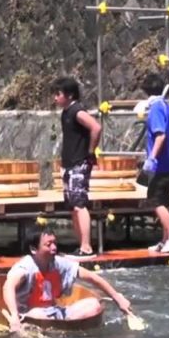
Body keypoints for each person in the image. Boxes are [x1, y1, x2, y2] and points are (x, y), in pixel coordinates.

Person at [2, 227, 133, 336]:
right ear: (33, 249)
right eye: (48, 245)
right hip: (32, 315)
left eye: (54, 243)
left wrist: (117, 298)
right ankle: (60, 327)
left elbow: (91, 277)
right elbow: (8, 286)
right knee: (37, 315)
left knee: (94, 305)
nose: (54, 248)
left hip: (56, 313)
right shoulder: (25, 267)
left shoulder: (59, 263)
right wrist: (14, 316)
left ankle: (64, 326)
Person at [52, 77, 102, 258]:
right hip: (68, 164)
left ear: (69, 95)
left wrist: (90, 151)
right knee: (72, 206)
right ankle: (81, 244)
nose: (55, 98)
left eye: (58, 94)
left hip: (79, 163)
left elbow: (96, 127)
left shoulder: (77, 111)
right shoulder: (65, 112)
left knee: (80, 204)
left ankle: (87, 247)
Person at [139, 73, 169, 253]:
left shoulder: (156, 108)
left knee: (155, 200)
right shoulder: (166, 105)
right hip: (168, 162)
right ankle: (165, 240)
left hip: (160, 163)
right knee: (165, 201)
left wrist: (152, 158)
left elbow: (160, 135)